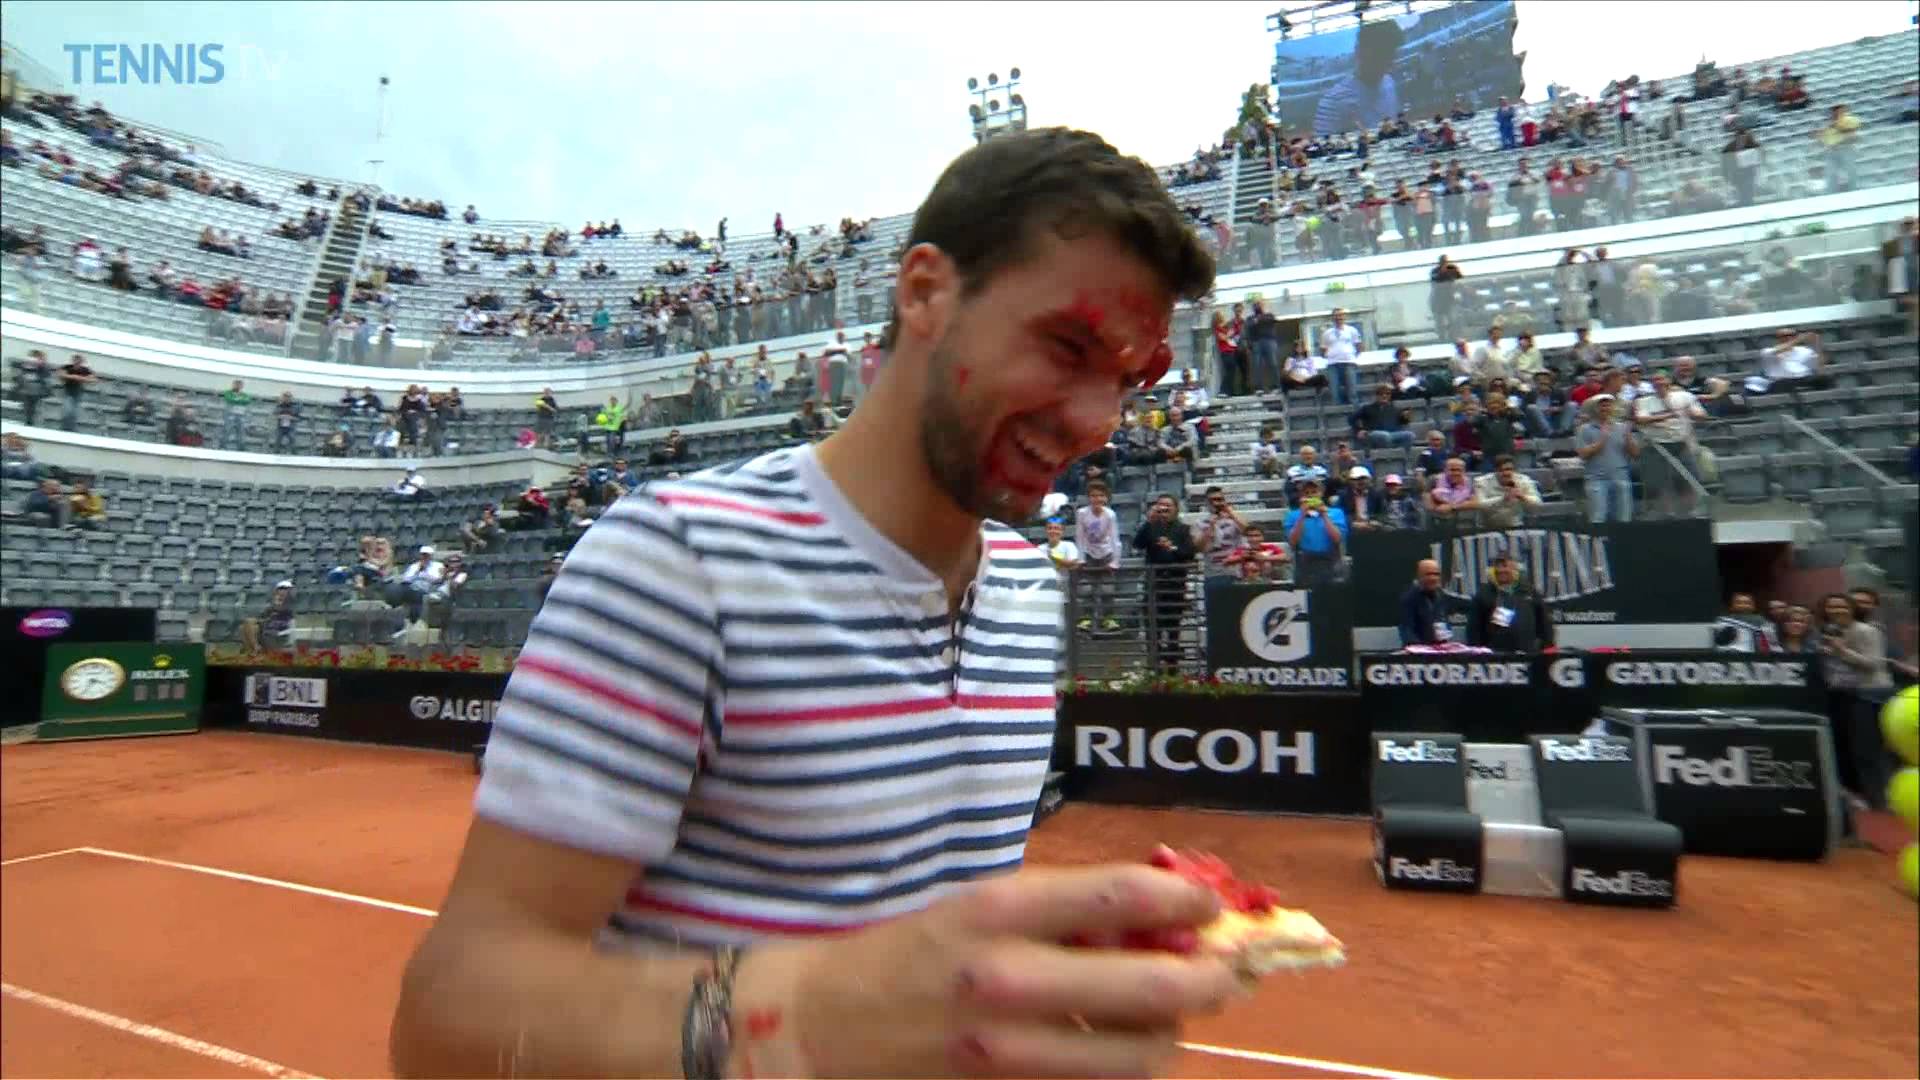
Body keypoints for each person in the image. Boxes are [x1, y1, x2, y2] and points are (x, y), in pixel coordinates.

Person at [390, 127, 1238, 1080]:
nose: (1097, 422)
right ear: (925, 292)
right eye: (1065, 345)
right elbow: (450, 1021)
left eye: (1127, 379)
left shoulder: (1030, 592)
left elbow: (906, 955)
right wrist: (801, 1019)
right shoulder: (677, 562)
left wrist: (1006, 989)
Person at [1468, 553, 1554, 653]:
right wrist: (1476, 652)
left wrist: (1548, 646)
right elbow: (1473, 628)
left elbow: (1544, 622)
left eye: (1505, 566)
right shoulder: (1484, 594)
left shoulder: (1529, 591)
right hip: (1495, 656)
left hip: (1528, 654)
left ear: (1514, 569)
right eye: (1498, 566)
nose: (1501, 570)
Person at [1282, 477, 1347, 588]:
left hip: (1330, 560)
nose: (1310, 495)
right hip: (1304, 561)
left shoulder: (1336, 513)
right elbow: (1292, 542)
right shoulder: (1292, 515)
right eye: (1306, 493)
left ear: (1321, 493)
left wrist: (1324, 515)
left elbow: (1337, 539)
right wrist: (1302, 515)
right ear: (1301, 496)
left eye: (1314, 492)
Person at [1398, 558, 1453, 647]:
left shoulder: (1441, 596)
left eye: (1436, 574)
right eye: (1428, 574)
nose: (1433, 578)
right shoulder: (1409, 598)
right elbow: (1407, 630)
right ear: (1419, 576)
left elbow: (1444, 623)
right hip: (1418, 653)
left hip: (1440, 649)